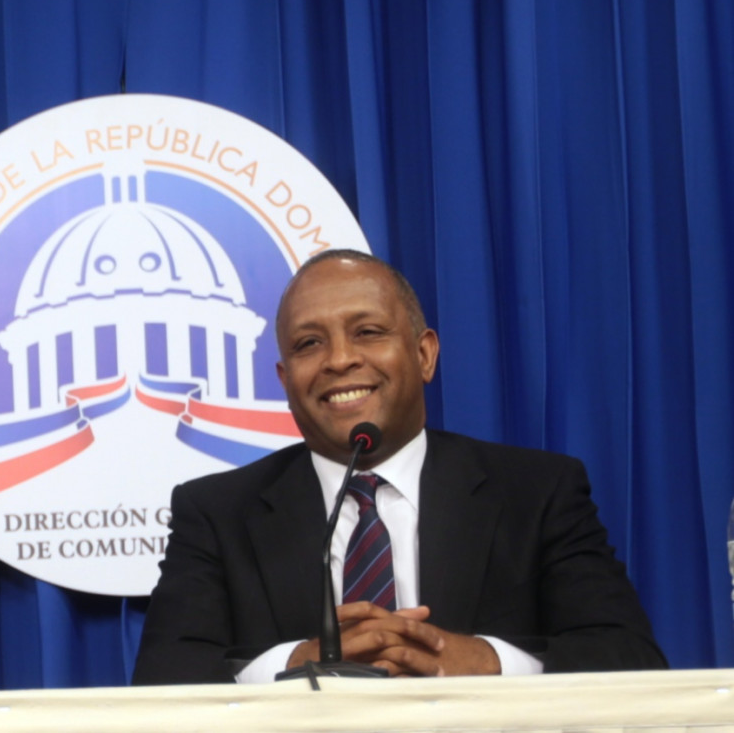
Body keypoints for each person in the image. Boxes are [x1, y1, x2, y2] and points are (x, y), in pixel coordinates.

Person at [131, 249, 666, 684]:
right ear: (285, 379)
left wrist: (485, 662)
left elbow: (630, 658)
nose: (339, 359)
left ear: (424, 354)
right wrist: (298, 664)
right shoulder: (217, 512)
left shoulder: (537, 492)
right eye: (309, 343)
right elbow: (164, 680)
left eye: (367, 332)